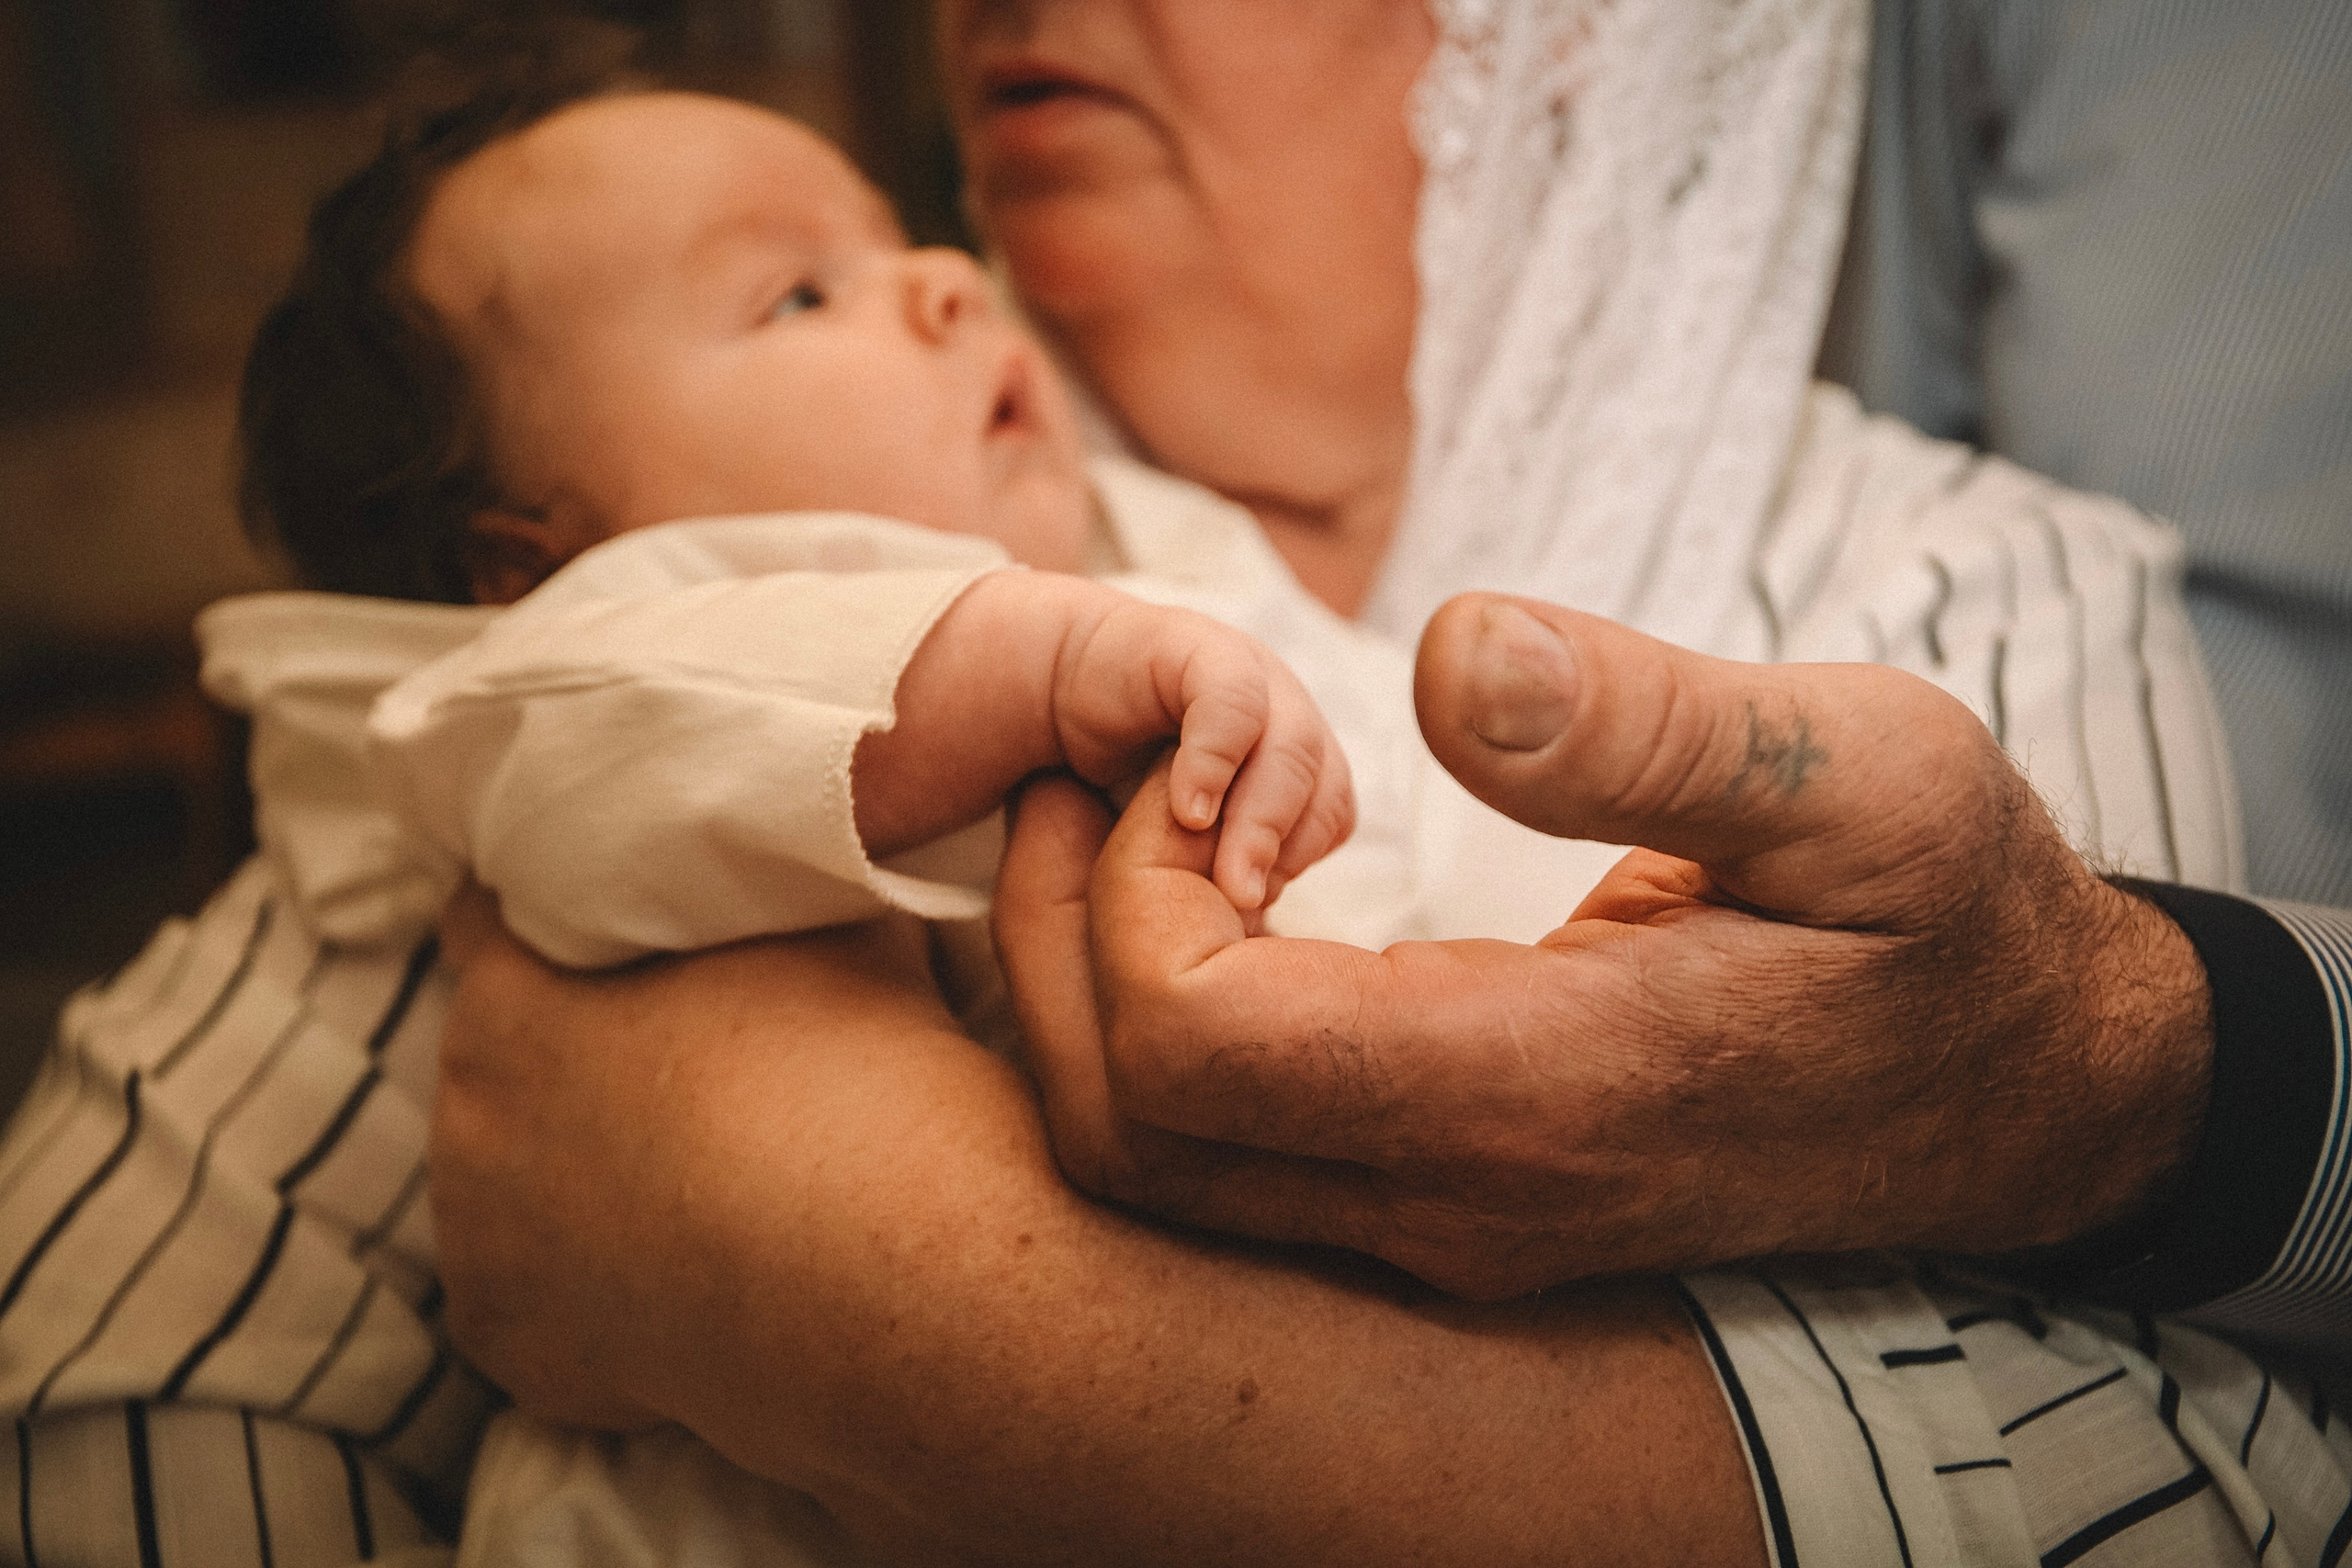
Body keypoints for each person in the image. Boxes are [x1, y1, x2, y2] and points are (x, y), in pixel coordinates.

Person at [429, 1, 2352, 1565]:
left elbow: (2193, 1476)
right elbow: (205, 1305)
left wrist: (852, 1262)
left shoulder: (1962, 590)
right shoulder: (728, 491)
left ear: (1572, 33)